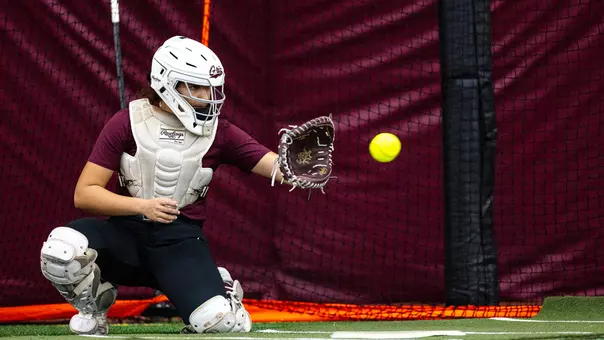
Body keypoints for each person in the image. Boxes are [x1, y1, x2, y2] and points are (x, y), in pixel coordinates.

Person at [39, 36, 287, 335]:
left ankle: (220, 291)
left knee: (220, 323)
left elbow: (277, 166)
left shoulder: (219, 131)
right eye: (195, 87)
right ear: (166, 83)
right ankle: (94, 307)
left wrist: (303, 164)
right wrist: (143, 206)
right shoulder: (126, 122)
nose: (206, 95)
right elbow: (85, 193)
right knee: (61, 248)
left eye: (209, 88)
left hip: (179, 244)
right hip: (124, 237)